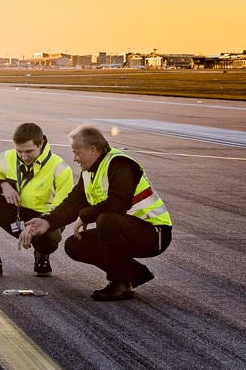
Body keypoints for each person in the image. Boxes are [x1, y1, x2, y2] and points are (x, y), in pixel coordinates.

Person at [19, 124, 172, 301]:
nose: (75, 158)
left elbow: (118, 203)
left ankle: (120, 283)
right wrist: (47, 221)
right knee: (74, 245)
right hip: (126, 230)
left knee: (106, 220)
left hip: (154, 234)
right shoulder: (89, 172)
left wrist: (85, 216)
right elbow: (72, 203)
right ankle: (135, 273)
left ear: (92, 150)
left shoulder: (121, 164)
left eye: (77, 152)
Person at [0, 122, 75, 279]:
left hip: (47, 221)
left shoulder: (60, 168)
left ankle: (42, 254)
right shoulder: (4, 159)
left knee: (48, 240)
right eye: (19, 151)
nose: (24, 156)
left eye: (29, 151)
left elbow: (64, 208)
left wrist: (36, 226)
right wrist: (1, 184)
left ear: (41, 143)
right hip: (17, 217)